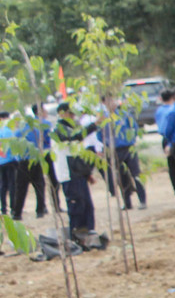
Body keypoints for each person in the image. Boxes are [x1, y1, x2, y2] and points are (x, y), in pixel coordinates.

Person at [54, 104, 98, 240]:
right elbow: (76, 137)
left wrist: (87, 173)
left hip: (78, 173)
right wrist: (94, 124)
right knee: (76, 206)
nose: (73, 117)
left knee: (87, 205)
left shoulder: (71, 128)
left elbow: (78, 153)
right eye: (70, 114)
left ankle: (88, 232)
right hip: (68, 174)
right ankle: (76, 235)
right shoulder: (59, 130)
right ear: (62, 114)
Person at [103, 94, 146, 210]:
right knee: (121, 177)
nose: (111, 103)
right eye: (108, 101)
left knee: (136, 174)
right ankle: (127, 202)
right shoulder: (104, 119)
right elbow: (100, 135)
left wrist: (132, 140)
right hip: (115, 151)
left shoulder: (124, 115)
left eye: (112, 100)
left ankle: (142, 200)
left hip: (128, 148)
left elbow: (135, 128)